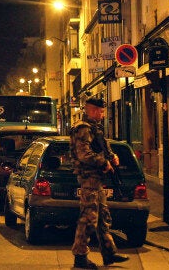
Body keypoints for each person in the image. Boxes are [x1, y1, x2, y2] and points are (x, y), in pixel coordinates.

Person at [69, 97, 129, 269]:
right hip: (89, 178)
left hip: (97, 179)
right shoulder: (83, 128)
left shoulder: (95, 129)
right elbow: (84, 154)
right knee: (88, 218)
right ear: (93, 110)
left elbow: (101, 147)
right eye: (101, 111)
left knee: (103, 217)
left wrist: (112, 157)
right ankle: (80, 257)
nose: (102, 114)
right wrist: (104, 162)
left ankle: (109, 253)